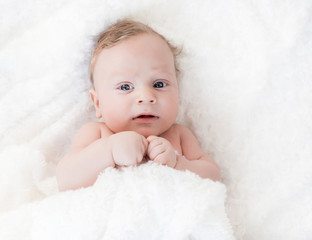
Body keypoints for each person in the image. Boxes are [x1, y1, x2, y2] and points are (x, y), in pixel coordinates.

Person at [56, 19, 220, 191]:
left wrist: (179, 162)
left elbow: (214, 177)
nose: (147, 97)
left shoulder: (179, 136)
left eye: (159, 84)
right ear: (98, 103)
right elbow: (65, 180)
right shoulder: (97, 134)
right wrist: (109, 150)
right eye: (125, 87)